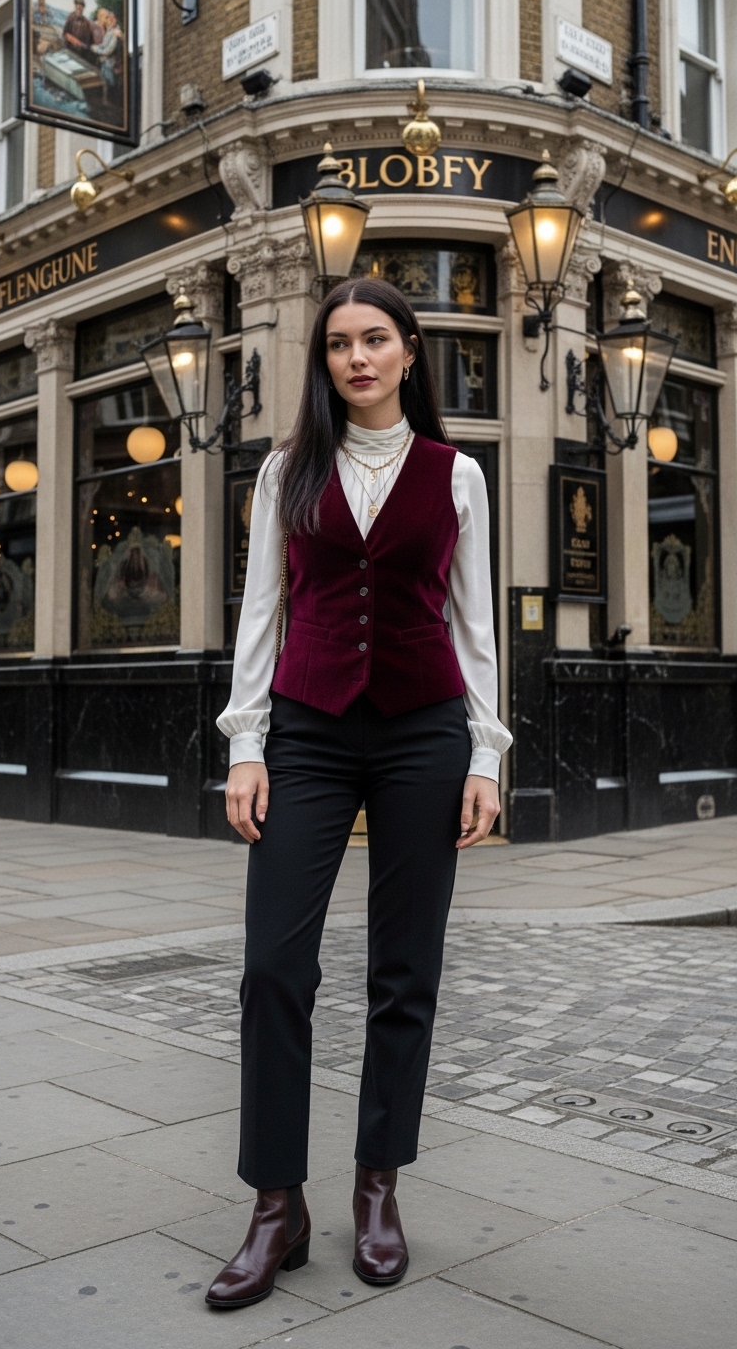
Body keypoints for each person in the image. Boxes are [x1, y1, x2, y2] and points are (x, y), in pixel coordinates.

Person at [206, 278, 512, 1310]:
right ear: (323, 360)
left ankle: (377, 1186)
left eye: (375, 338)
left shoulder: (456, 474)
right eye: (338, 343)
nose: (357, 358)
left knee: (404, 969)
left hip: (427, 727)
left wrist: (487, 756)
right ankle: (275, 1203)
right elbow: (260, 611)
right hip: (307, 727)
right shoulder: (287, 470)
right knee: (273, 969)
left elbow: (477, 626)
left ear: (411, 350)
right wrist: (245, 743)